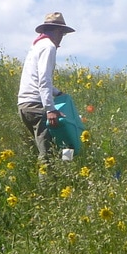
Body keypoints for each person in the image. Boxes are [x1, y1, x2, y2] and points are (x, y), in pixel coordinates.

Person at [18, 12, 75, 162]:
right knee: (48, 155)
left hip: (25, 105)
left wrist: (58, 92)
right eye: (62, 33)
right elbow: (44, 79)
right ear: (57, 31)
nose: (62, 37)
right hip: (37, 106)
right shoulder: (48, 47)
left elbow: (37, 78)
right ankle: (46, 185)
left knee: (52, 148)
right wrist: (50, 109)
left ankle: (58, 179)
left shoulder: (37, 46)